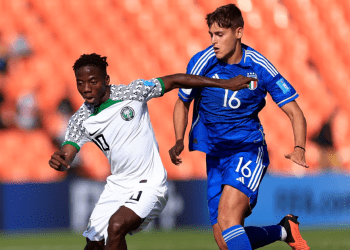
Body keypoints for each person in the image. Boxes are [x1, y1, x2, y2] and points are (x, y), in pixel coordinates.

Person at [48, 53, 255, 250]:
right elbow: (68, 150)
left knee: (116, 226)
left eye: (93, 81)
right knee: (93, 244)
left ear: (106, 79)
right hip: (116, 186)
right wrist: (61, 158)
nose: (86, 88)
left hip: (150, 184)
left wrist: (224, 84)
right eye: (80, 83)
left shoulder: (132, 93)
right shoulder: (80, 120)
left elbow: (174, 80)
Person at [169, 4, 310, 250]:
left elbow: (294, 111)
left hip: (246, 150)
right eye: (211, 34)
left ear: (239, 32)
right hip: (215, 155)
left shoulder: (259, 66)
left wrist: (299, 147)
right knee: (224, 241)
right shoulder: (201, 62)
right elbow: (182, 102)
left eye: (220, 35)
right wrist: (179, 138)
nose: (214, 41)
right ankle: (283, 230)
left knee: (227, 219)